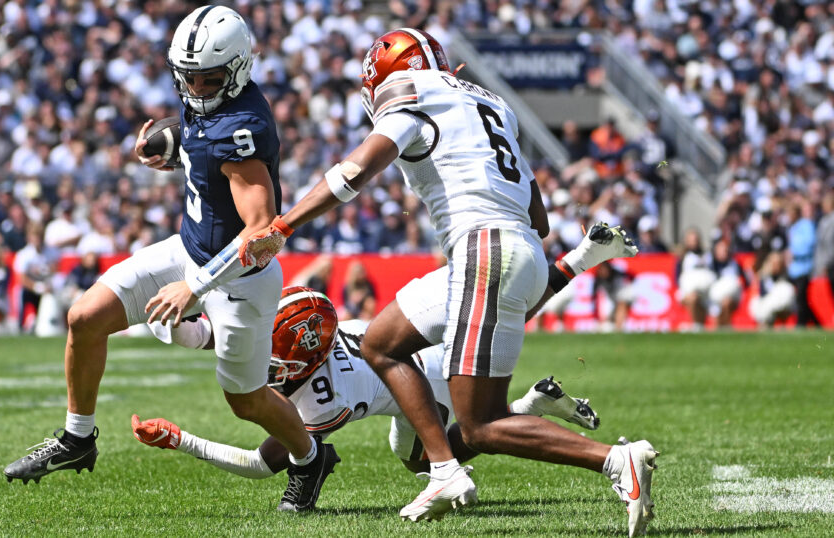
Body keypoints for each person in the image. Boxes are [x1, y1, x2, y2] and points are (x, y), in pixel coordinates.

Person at [238, 29, 656, 536]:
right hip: (513, 246)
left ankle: (614, 460)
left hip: (483, 248)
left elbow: (353, 172)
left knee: (481, 423)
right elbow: (538, 215)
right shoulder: (491, 102)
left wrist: (284, 225)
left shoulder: (410, 91)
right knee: (381, 341)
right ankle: (443, 469)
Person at [4, 5, 338, 514]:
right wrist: (171, 153)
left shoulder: (241, 127)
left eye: (208, 80)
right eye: (190, 79)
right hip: (189, 246)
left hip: (240, 279)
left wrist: (194, 287)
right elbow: (201, 151)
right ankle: (78, 439)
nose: (196, 90)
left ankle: (310, 457)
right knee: (84, 318)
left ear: (239, 67)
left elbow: (262, 229)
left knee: (246, 401)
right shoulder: (208, 102)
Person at [133, 286, 599, 478]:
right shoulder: (312, 338)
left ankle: (525, 410)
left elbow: (261, 464)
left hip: (427, 386)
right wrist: (166, 314)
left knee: (435, 455)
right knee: (505, 308)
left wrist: (180, 440)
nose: (263, 361)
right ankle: (580, 260)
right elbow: (214, 334)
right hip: (413, 359)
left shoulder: (322, 400)